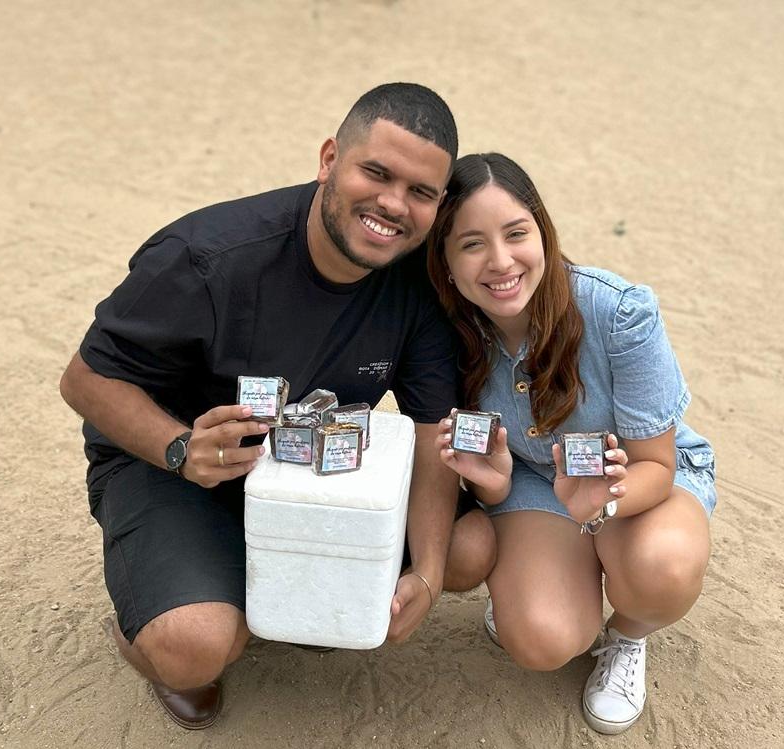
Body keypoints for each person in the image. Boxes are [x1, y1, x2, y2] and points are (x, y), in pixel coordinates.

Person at [59, 83, 484, 730]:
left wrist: (425, 571)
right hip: (176, 466)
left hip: (307, 470)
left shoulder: (418, 282)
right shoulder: (207, 257)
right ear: (329, 159)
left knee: (464, 550)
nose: (393, 205)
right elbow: (84, 378)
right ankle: (160, 619)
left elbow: (431, 432)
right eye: (376, 173)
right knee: (194, 644)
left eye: (420, 192)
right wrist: (180, 447)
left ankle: (263, 585)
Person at [427, 153, 717, 735]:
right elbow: (490, 470)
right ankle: (545, 580)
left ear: (543, 232)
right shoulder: (444, 330)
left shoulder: (619, 312)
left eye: (516, 234)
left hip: (634, 478)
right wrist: (495, 483)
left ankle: (628, 635)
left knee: (661, 566)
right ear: (447, 263)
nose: (501, 261)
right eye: (472, 244)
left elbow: (655, 464)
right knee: (541, 638)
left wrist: (603, 504)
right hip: (532, 481)